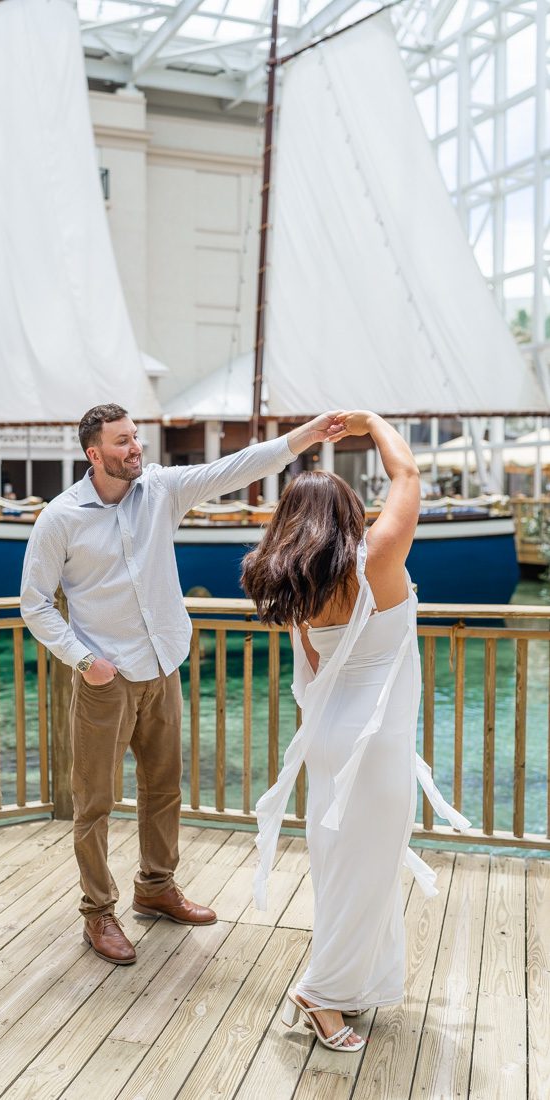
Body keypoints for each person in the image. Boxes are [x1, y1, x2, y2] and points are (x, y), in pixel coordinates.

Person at [20, 402, 347, 966]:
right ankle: (98, 912)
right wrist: (84, 661)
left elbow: (237, 467)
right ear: (94, 453)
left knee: (164, 787)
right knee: (95, 801)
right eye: (122, 442)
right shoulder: (60, 518)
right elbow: (35, 606)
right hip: (106, 678)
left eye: (135, 438)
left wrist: (306, 436)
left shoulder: (162, 491)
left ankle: (155, 886)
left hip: (162, 664)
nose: (135, 449)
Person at [242, 411, 469, 1052]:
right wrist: (370, 422)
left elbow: (314, 669)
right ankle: (319, 996)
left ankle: (353, 987)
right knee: (365, 872)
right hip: (375, 743)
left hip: (331, 738)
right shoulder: (376, 558)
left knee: (344, 869)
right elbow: (409, 470)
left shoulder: (297, 583)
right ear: (348, 513)